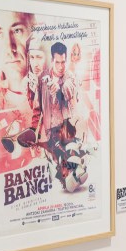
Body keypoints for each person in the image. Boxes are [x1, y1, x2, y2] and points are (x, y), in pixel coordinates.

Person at [31, 41, 86, 191]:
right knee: (59, 160)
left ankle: (74, 178)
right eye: (57, 62)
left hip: (66, 127)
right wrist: (34, 131)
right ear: (52, 60)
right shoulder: (42, 78)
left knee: (70, 155)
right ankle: (69, 180)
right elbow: (37, 108)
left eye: (63, 62)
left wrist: (59, 89)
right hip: (50, 129)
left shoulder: (70, 77)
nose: (61, 66)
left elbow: (68, 90)